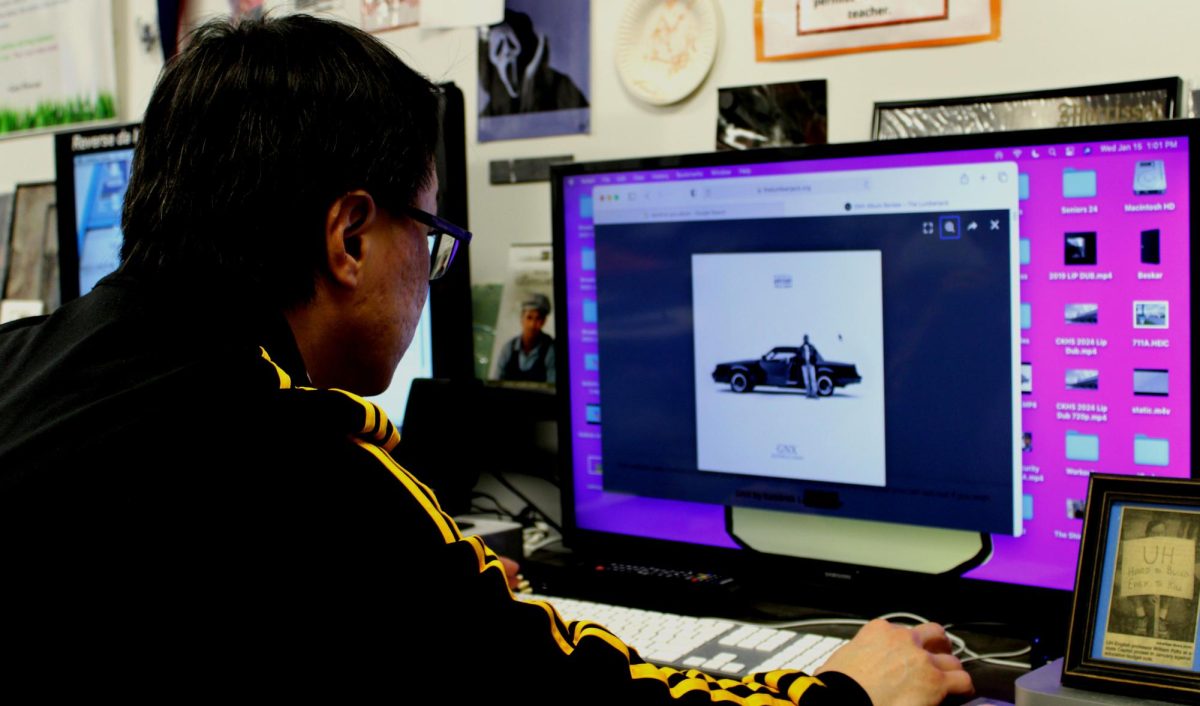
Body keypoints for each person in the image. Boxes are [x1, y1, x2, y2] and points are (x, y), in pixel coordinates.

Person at [0, 15, 971, 704]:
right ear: (348, 236)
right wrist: (844, 689)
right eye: (428, 230)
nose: (429, 262)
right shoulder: (295, 466)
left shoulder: (27, 361)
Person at [496, 292, 556, 383]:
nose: (532, 325)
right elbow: (497, 381)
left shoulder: (551, 349)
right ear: (522, 318)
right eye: (529, 317)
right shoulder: (508, 348)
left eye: (538, 319)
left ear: (544, 321)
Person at [797, 334, 821, 398]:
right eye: (805, 338)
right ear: (803, 339)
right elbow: (798, 356)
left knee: (813, 378)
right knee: (806, 379)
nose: (806, 339)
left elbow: (816, 354)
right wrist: (802, 362)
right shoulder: (801, 348)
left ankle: (814, 393)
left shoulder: (811, 347)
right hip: (804, 365)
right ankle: (808, 392)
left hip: (811, 364)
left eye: (807, 338)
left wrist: (813, 361)